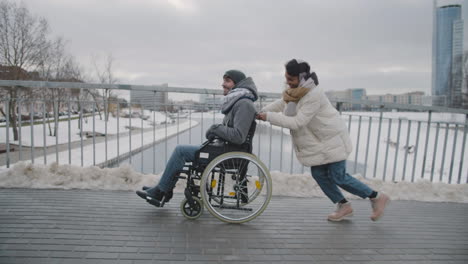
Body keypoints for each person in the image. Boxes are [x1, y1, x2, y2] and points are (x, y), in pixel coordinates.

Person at [256, 59, 389, 222]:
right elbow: (282, 102)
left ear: (302, 78)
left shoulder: (313, 94)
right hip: (320, 141)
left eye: (291, 79)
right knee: (319, 173)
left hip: (332, 139)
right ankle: (344, 206)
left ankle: (376, 197)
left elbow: (298, 122)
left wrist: (268, 117)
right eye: (286, 78)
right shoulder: (295, 91)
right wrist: (262, 111)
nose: (288, 83)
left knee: (338, 176)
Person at [137, 70, 258, 207]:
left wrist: (215, 129)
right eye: (223, 81)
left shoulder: (244, 104)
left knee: (180, 151)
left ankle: (161, 191)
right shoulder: (239, 102)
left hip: (229, 154)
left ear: (238, 85)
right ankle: (163, 190)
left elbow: (238, 136)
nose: (223, 84)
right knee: (182, 151)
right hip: (225, 150)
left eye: (227, 81)